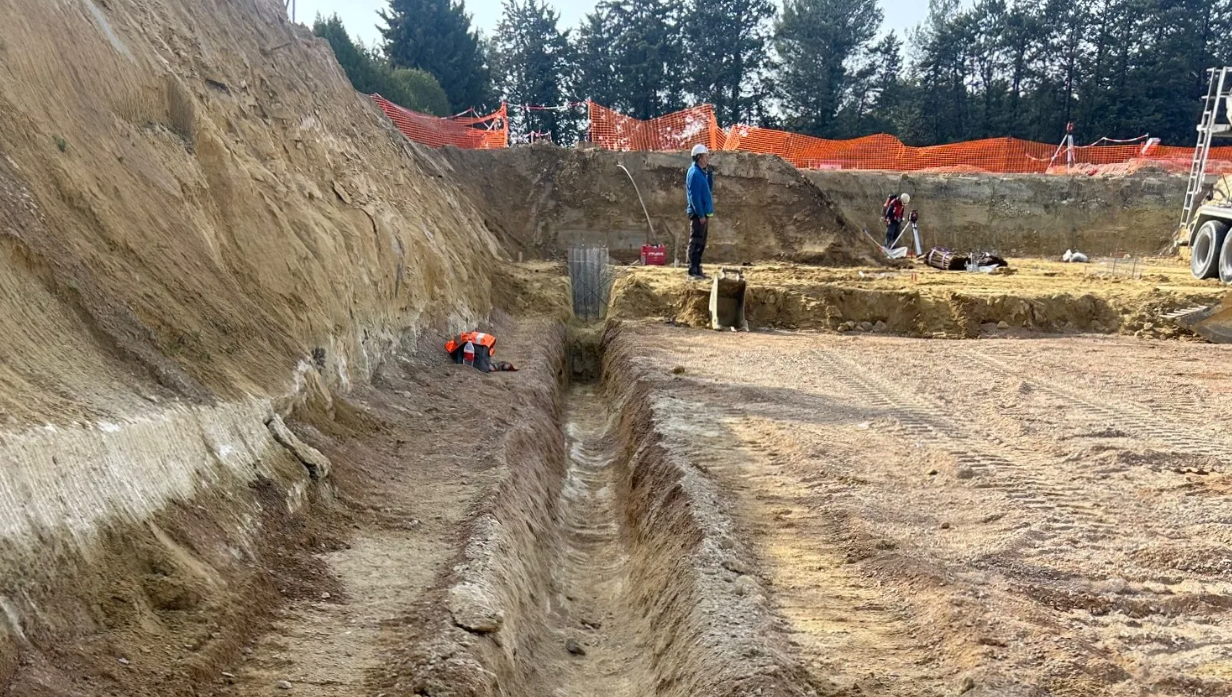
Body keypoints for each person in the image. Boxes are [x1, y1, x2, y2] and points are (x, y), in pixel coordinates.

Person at [685, 144, 715, 279]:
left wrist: (709, 175)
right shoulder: (694, 174)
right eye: (705, 156)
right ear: (699, 157)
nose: (707, 158)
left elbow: (708, 189)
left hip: (704, 213)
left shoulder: (701, 173)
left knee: (701, 243)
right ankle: (692, 270)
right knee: (695, 241)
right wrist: (701, 214)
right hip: (698, 214)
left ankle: (697, 268)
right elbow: (694, 197)